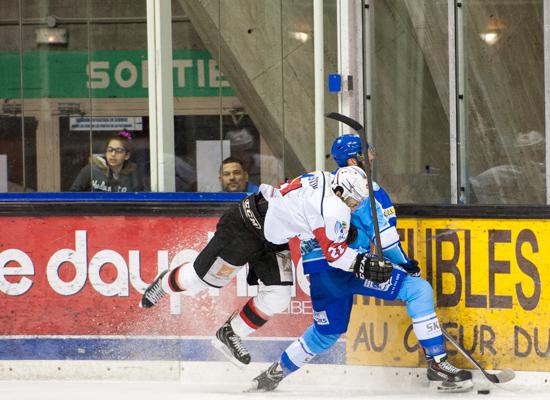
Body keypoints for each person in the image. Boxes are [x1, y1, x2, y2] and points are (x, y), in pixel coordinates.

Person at [140, 167, 393, 365]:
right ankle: (165, 282)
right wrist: (363, 265)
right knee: (203, 280)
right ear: (340, 192)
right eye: (354, 200)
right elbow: (335, 255)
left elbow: (314, 223)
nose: (355, 205)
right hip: (245, 227)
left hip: (274, 235)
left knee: (279, 294)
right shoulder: (333, 207)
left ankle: (230, 333)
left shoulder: (328, 178)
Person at [249, 187, 473, 394]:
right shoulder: (366, 195)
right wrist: (407, 266)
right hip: (348, 268)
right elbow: (387, 242)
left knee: (325, 333)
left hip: (319, 273)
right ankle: (437, 363)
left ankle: (274, 373)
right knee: (418, 290)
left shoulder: (318, 187)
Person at [70, 130, 144, 192]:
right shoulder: (91, 170)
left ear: (127, 155)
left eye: (118, 151)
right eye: (110, 150)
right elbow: (72, 195)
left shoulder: (133, 173)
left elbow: (140, 197)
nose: (113, 154)